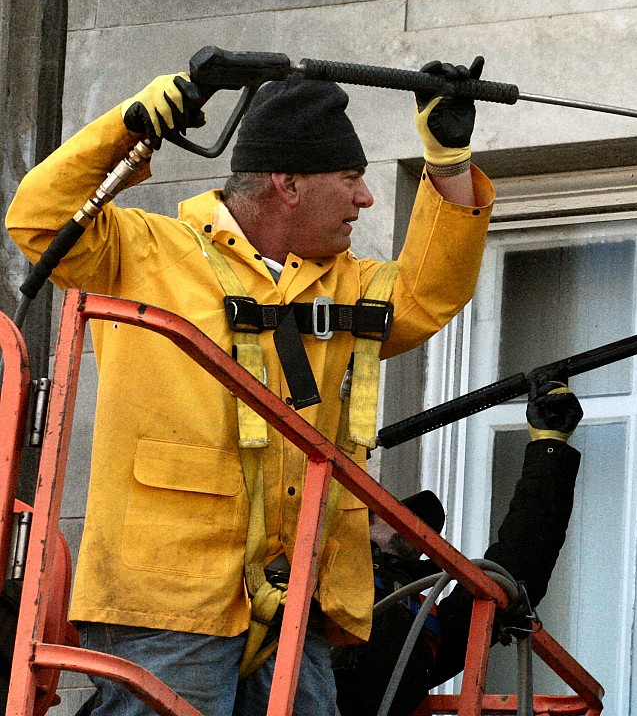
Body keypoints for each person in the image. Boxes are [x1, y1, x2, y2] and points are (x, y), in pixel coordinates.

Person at [6, 57, 495, 716]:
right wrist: (132, 124)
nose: (366, 199)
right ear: (287, 184)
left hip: (299, 599)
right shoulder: (145, 252)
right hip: (170, 599)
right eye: (352, 179)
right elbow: (37, 220)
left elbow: (428, 293)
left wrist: (450, 163)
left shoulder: (343, 283)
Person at [333, 382, 583, 716]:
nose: (412, 528)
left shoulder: (421, 621)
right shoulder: (314, 575)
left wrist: (548, 448)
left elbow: (514, 572)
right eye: (390, 514)